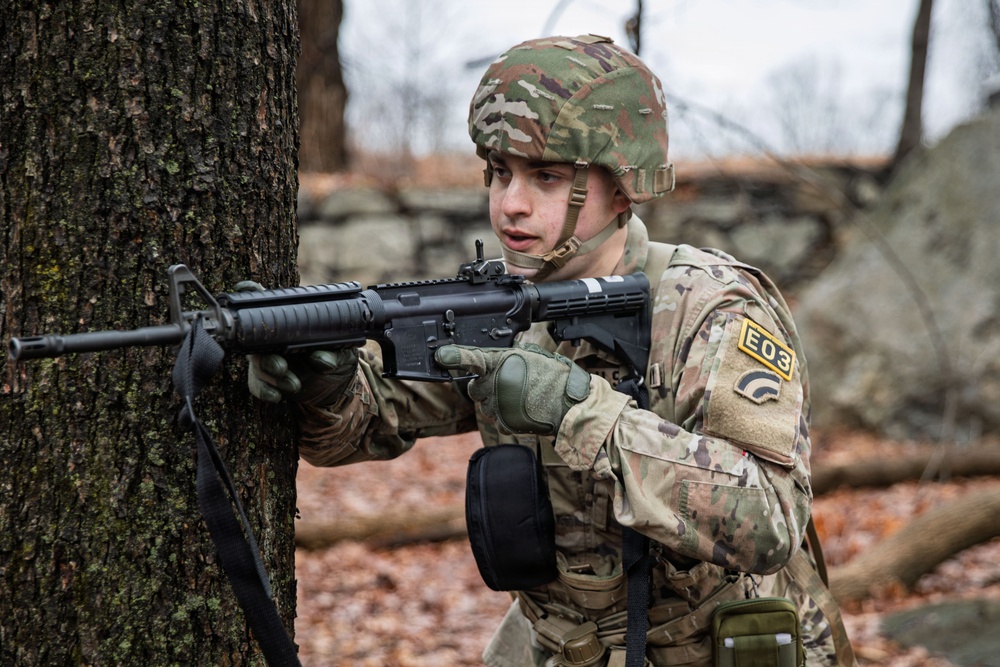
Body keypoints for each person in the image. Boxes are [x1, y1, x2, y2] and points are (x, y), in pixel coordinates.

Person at [248, 34, 856, 666]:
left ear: (622, 188)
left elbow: (771, 517)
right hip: (562, 646)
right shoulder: (502, 306)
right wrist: (325, 377)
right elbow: (354, 429)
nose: (511, 205)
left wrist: (579, 412)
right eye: (499, 173)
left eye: (546, 177)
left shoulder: (711, 309)